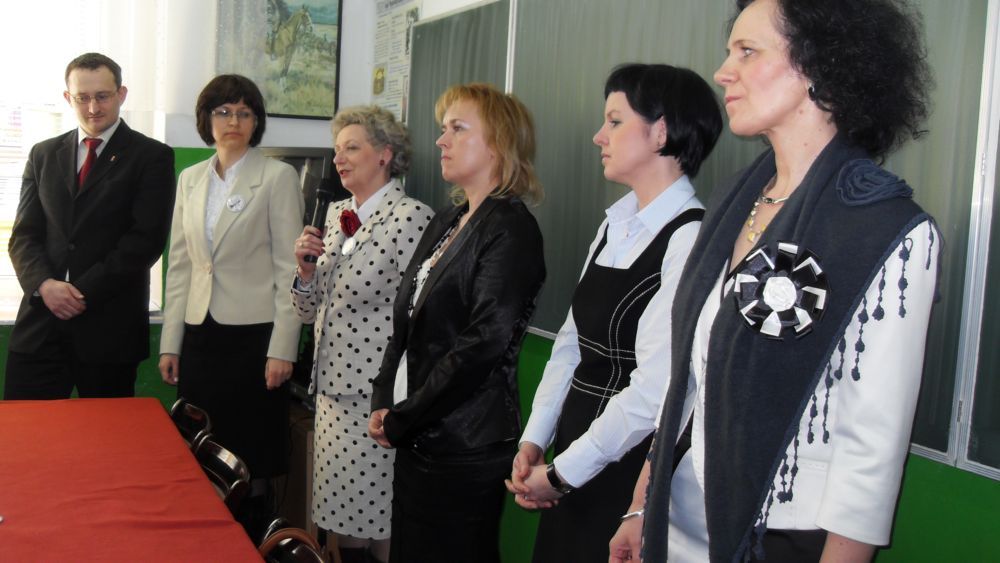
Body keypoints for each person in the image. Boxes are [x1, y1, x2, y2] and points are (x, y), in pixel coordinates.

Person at [609, 1, 939, 561]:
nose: (722, 72)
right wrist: (642, 505)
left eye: (747, 51)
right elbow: (688, 381)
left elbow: (871, 451)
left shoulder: (886, 230)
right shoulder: (734, 203)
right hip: (680, 519)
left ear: (820, 63)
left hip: (777, 534)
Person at [505, 64, 722, 563]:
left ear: (661, 132)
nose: (599, 136)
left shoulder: (689, 239)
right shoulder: (614, 226)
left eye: (615, 121)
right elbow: (570, 345)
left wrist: (564, 473)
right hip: (570, 451)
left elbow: (655, 389)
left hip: (627, 466)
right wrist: (536, 438)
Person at [368, 83, 546, 563]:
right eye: (443, 128)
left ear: (498, 143)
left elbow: (480, 346)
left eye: (458, 128)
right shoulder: (449, 218)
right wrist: (384, 400)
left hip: (464, 445)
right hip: (420, 435)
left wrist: (405, 417)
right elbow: (406, 320)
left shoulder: (511, 229)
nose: (441, 140)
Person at [291, 105, 433, 563]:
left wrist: (399, 398)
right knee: (342, 520)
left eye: (351, 148)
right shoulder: (334, 214)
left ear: (385, 154)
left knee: (378, 519)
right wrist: (304, 272)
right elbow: (307, 312)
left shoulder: (410, 217)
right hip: (330, 394)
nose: (339, 158)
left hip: (375, 398)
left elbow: (421, 314)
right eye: (337, 150)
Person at [158, 75, 303, 519]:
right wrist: (171, 342)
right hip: (201, 338)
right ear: (207, 119)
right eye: (223, 112)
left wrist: (283, 349)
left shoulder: (277, 177)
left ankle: (250, 540)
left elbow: (290, 270)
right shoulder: (190, 179)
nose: (233, 121)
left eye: (244, 113)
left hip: (254, 342)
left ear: (256, 121)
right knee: (202, 455)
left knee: (249, 460)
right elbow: (180, 266)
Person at [5, 52, 175, 400]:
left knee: (107, 433)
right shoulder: (42, 154)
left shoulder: (151, 156)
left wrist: (80, 293)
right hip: (40, 328)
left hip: (108, 332)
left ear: (121, 94)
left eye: (102, 96)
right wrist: (45, 286)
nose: (93, 108)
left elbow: (145, 241)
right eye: (82, 98)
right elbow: (24, 235)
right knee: (25, 429)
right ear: (68, 98)